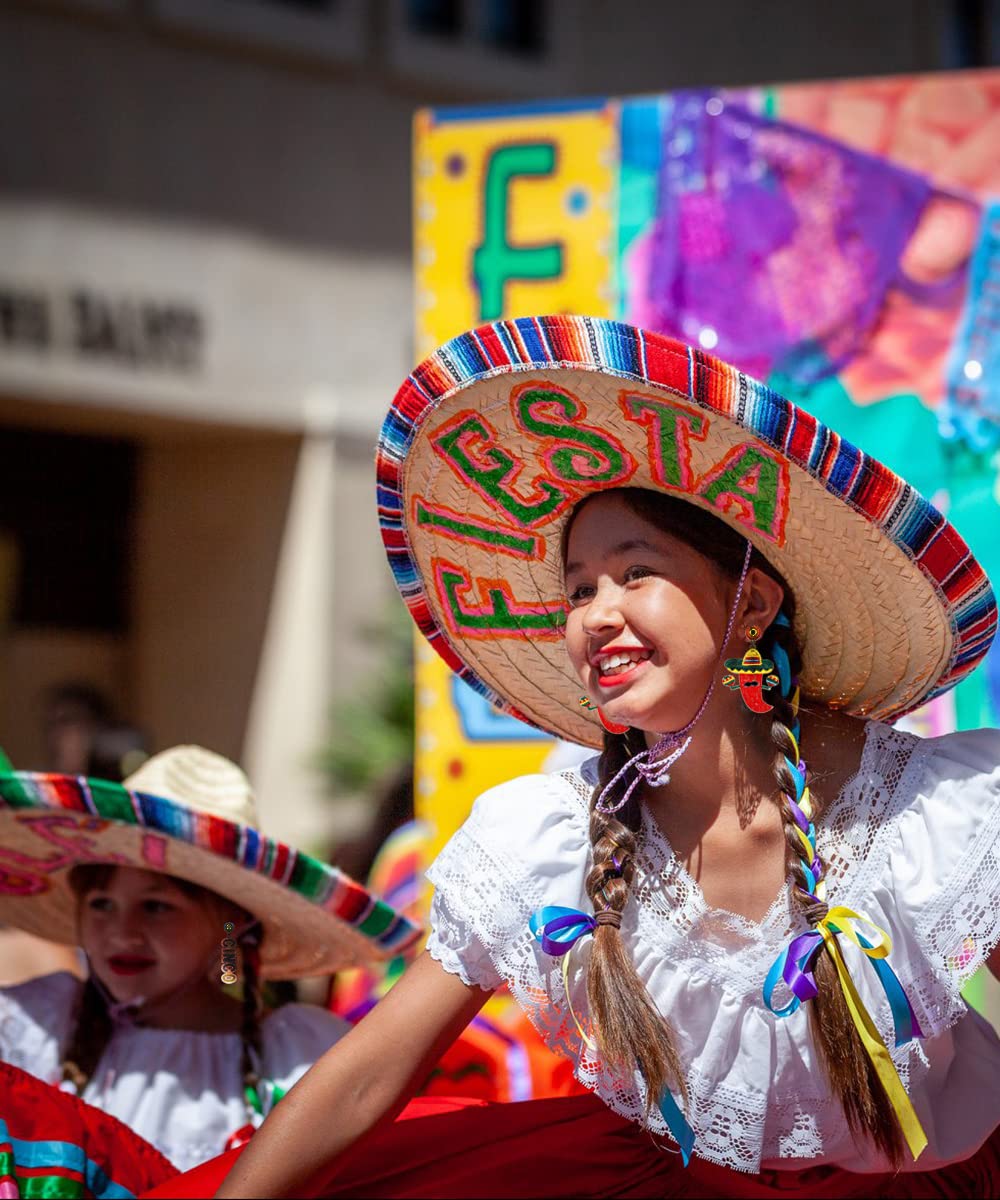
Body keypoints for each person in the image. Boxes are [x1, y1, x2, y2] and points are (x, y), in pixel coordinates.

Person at [214, 315, 1000, 1198]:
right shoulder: (546, 843)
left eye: (636, 573)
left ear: (751, 604)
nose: (597, 613)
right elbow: (363, 1080)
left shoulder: (935, 810)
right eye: (579, 587)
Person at [0, 744, 420, 1173]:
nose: (122, 933)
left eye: (157, 907)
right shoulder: (34, 1029)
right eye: (101, 904)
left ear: (230, 922)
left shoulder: (295, 1060)